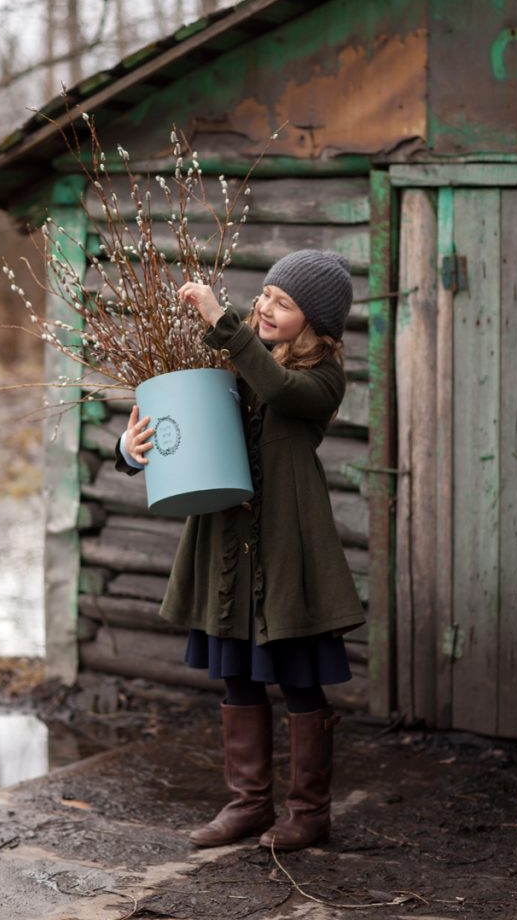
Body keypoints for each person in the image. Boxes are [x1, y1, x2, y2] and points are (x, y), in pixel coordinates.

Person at [115, 249, 365, 852]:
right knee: (239, 678)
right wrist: (130, 447)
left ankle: (308, 814)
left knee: (299, 680)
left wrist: (220, 318)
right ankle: (249, 804)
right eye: (267, 295)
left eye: (285, 303)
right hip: (229, 542)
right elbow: (183, 419)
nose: (267, 307)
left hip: (288, 551)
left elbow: (277, 387)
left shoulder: (322, 379)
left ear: (316, 323)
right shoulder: (233, 358)